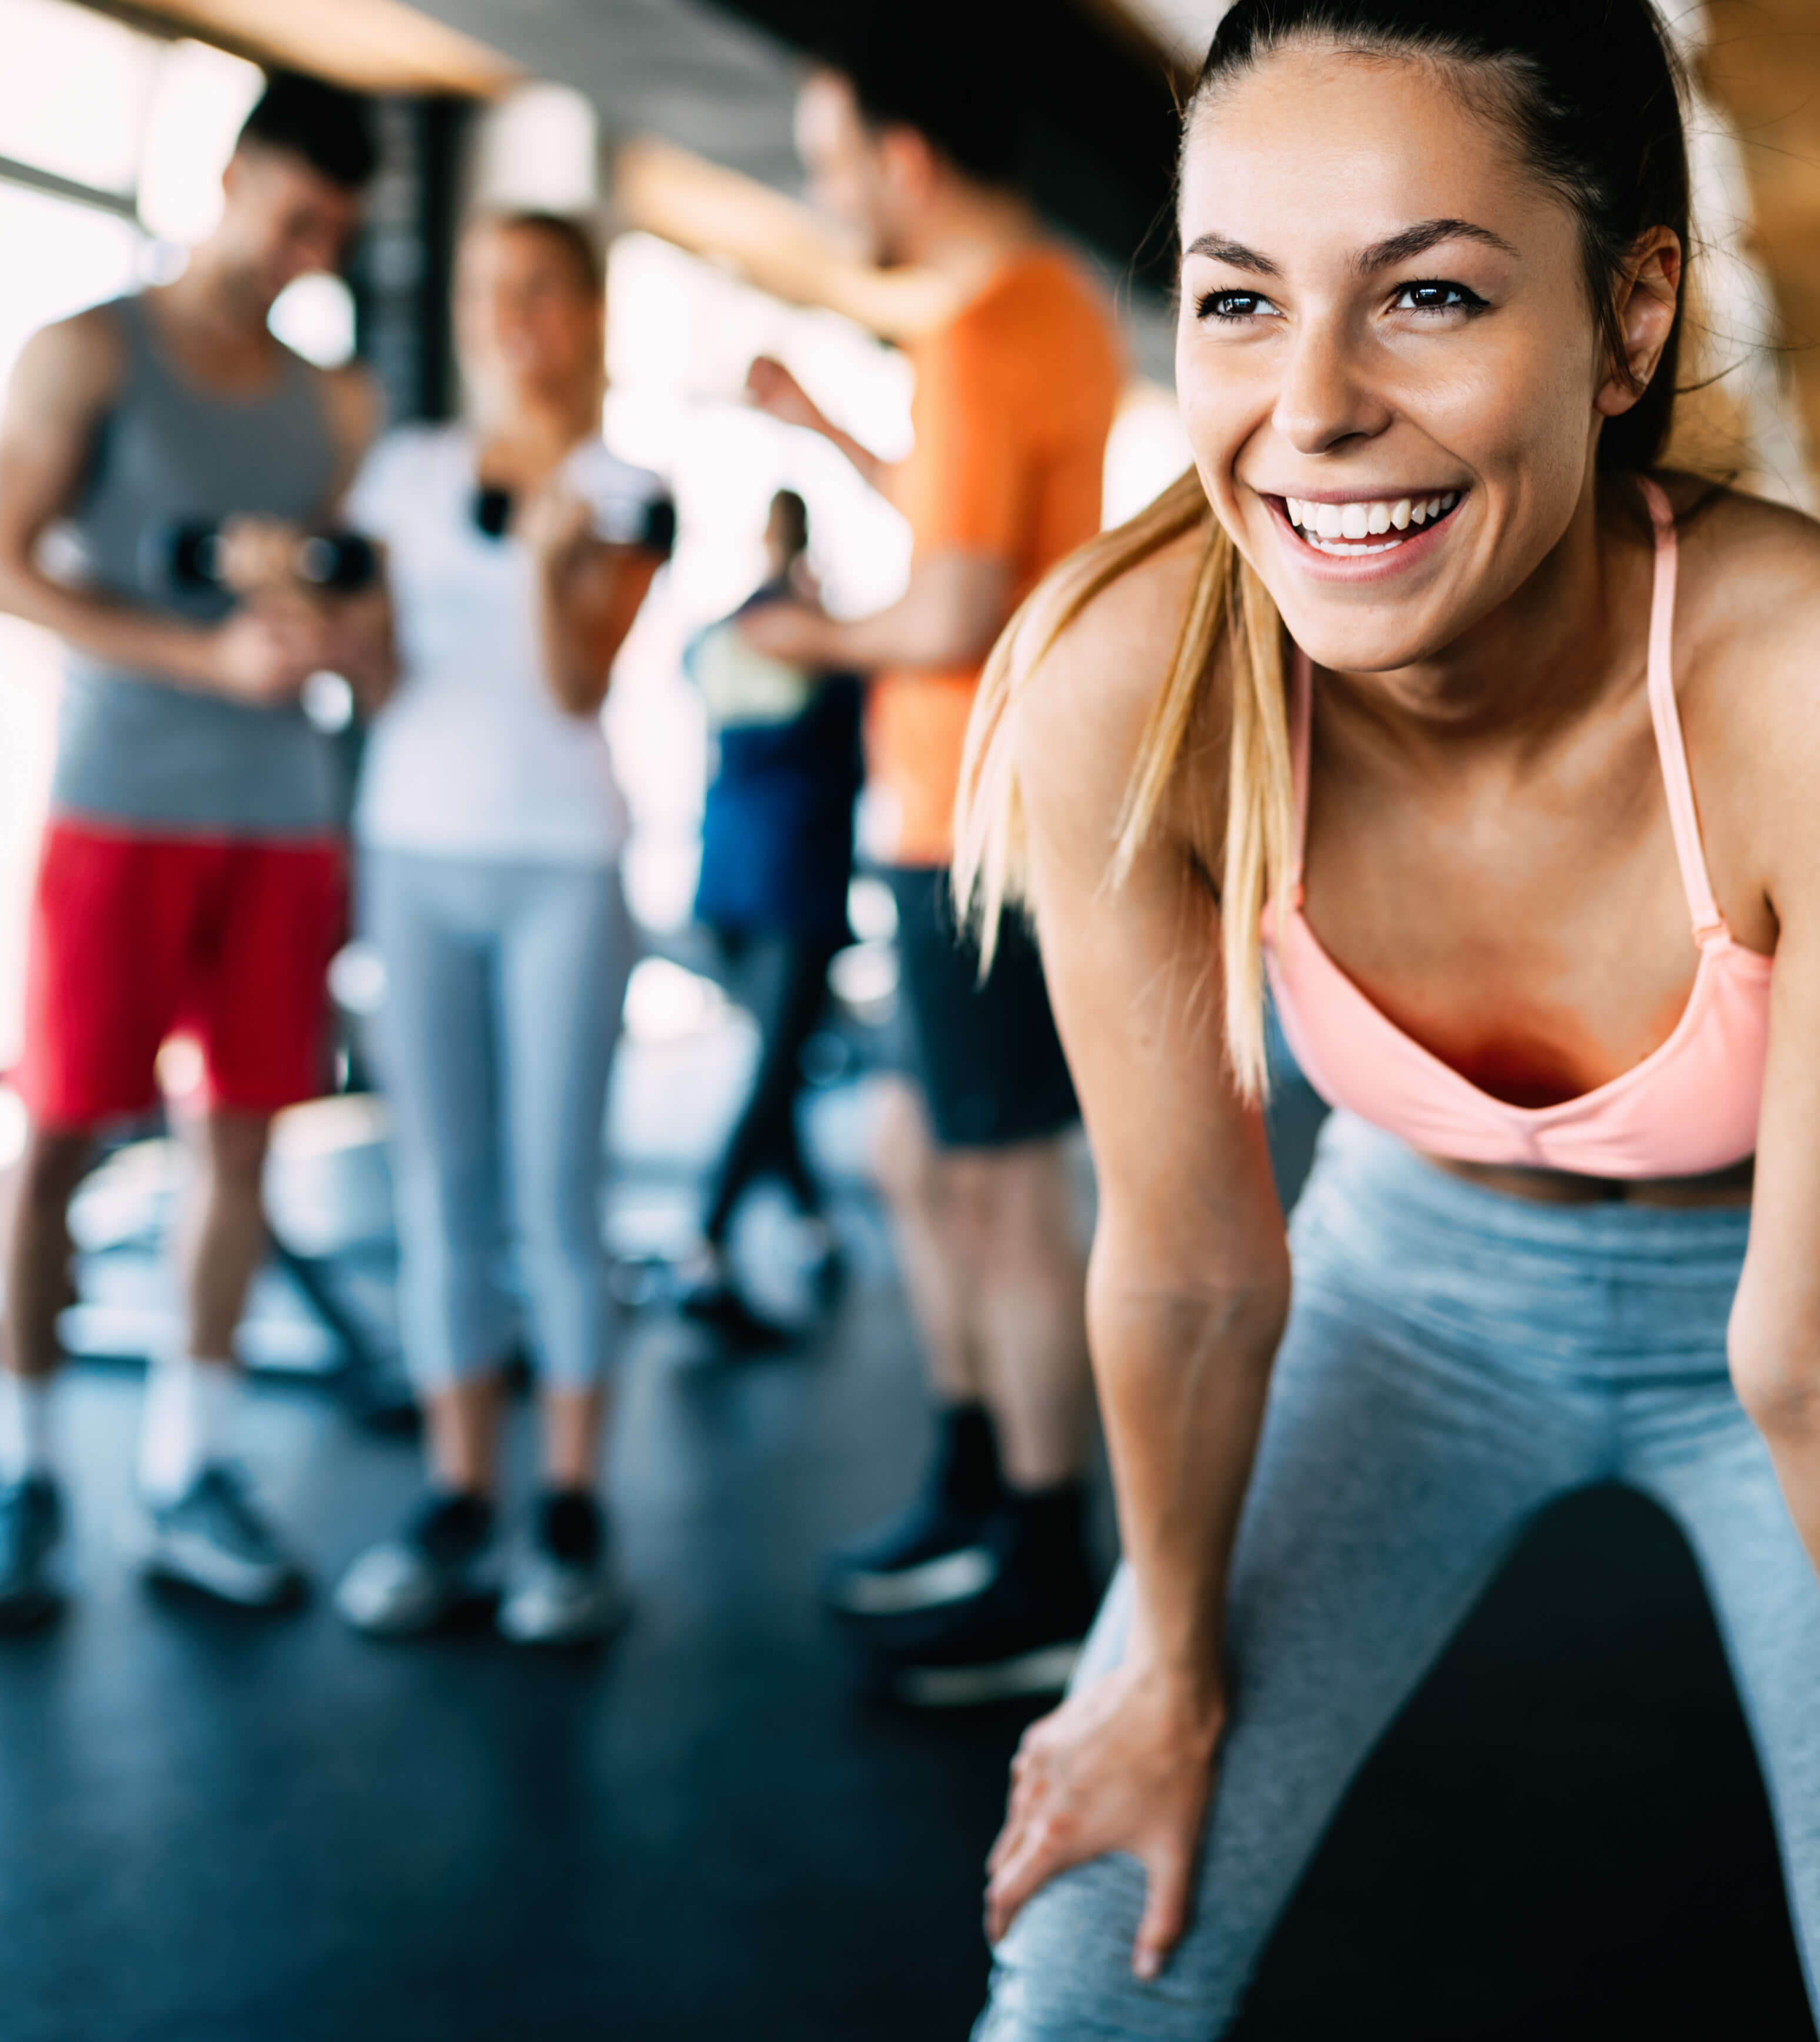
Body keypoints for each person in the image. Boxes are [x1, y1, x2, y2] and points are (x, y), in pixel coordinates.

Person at [952, 5, 1820, 2038]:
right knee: (1073, 1976)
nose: (1305, 408)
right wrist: (1155, 1669)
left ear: (1629, 311)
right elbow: (1197, 1271)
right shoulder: (1122, 684)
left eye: (1426, 295)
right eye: (1237, 300)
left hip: (1803, 1305)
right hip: (1401, 1294)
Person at [642, 28, 1127, 1703]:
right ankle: (979, 1488)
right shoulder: (1036, 312)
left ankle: (1047, 1559)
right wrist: (832, 433)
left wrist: (805, 632)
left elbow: (951, 604)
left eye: (831, 154)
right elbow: (963, 524)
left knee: (999, 1186)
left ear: (905, 158)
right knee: (932, 1157)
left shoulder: (991, 333)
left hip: (975, 821)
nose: (822, 187)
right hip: (972, 813)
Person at [0, 72, 389, 1635]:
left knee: (243, 1147)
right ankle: (21, 1477)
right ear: (238, 175)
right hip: (117, 802)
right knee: (57, 1137)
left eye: (336, 235)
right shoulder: (84, 353)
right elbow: (1, 572)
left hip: (278, 820)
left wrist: (325, 629)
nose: (309, 254)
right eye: (298, 217)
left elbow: (347, 608)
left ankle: (192, 1469)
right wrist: (203, 663)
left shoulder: (333, 405)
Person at [328, 211, 670, 1645]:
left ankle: (571, 1509)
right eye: (486, 292)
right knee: (439, 1191)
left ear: (586, 314)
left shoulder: (626, 490)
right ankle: (462, 1492)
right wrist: (320, 608)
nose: (509, 320)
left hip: (560, 864)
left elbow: (578, 684)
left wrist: (543, 552)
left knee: (553, 1195)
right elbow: (378, 666)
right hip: (413, 849)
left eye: (538, 293)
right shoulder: (404, 474)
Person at [674, 489, 864, 1348]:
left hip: (729, 874)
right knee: (777, 1069)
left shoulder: (720, 637)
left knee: (776, 1063)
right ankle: (704, 1243)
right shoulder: (820, 640)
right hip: (795, 878)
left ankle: (809, 1221)